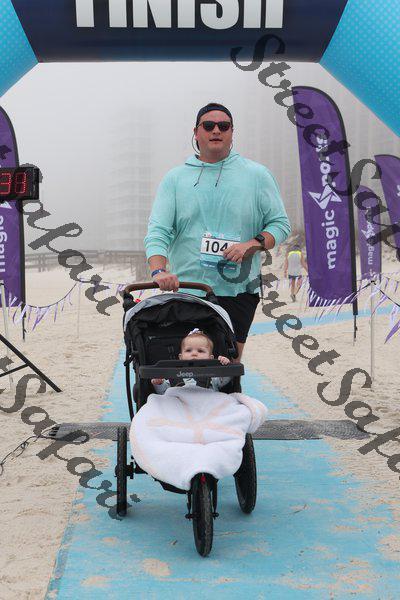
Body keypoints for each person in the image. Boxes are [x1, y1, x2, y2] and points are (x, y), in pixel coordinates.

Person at [144, 102, 291, 362]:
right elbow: (158, 231)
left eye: (224, 126)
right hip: (188, 289)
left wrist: (252, 244)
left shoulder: (257, 175)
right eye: (208, 125)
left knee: (227, 369)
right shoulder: (175, 179)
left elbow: (280, 225)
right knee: (185, 368)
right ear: (196, 132)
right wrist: (158, 271)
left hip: (238, 290)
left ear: (232, 132)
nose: (216, 131)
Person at [151, 329, 231, 393]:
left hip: (206, 403)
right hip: (181, 405)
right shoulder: (175, 374)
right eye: (188, 350)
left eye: (200, 351)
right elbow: (164, 391)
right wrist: (159, 383)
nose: (194, 354)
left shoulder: (212, 373)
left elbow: (224, 380)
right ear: (180, 357)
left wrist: (225, 365)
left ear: (211, 358)